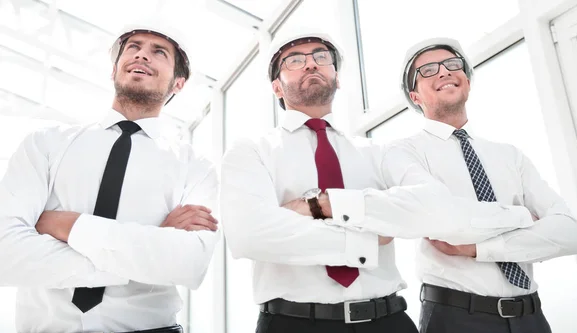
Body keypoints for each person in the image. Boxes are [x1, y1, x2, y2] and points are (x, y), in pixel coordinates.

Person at [219, 30, 538, 333]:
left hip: (388, 320)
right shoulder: (251, 150)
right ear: (277, 86)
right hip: (292, 322)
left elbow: (434, 207)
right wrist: (369, 237)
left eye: (321, 56)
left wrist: (317, 207)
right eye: (295, 60)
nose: (311, 62)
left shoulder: (378, 151)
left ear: (337, 78)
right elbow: (250, 236)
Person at [0, 21, 220, 333]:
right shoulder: (45, 144)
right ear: (114, 69)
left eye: (159, 52)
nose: (142, 56)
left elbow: (187, 263)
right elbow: (6, 254)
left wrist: (67, 224)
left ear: (179, 83)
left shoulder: (196, 166)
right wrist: (147, 246)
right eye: (133, 47)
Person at [396, 37, 577, 333]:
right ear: (415, 96)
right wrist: (522, 218)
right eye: (429, 70)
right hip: (456, 318)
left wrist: (476, 247)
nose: (444, 72)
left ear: (467, 82)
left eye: (452, 65)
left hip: (531, 317)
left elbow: (571, 234)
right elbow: (446, 222)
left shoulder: (510, 155)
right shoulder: (405, 153)